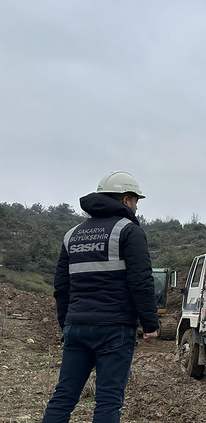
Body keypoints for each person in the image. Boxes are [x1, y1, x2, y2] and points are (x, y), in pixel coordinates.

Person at [43, 171, 159, 423]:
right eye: (136, 201)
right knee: (108, 401)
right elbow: (141, 281)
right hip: (114, 328)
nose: (137, 207)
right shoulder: (128, 231)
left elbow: (61, 286)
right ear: (126, 199)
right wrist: (150, 324)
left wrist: (66, 324)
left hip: (76, 326)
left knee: (63, 397)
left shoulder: (72, 235)